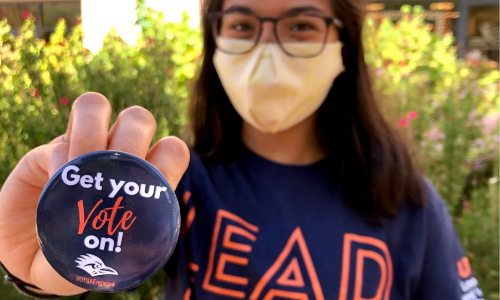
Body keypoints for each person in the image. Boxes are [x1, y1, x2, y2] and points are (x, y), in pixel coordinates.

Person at [0, 0, 484, 299]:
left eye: (300, 27)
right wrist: (44, 266)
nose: (267, 52)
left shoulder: (403, 199)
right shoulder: (168, 184)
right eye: (243, 26)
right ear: (215, 42)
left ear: (344, 44)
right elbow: (96, 258)